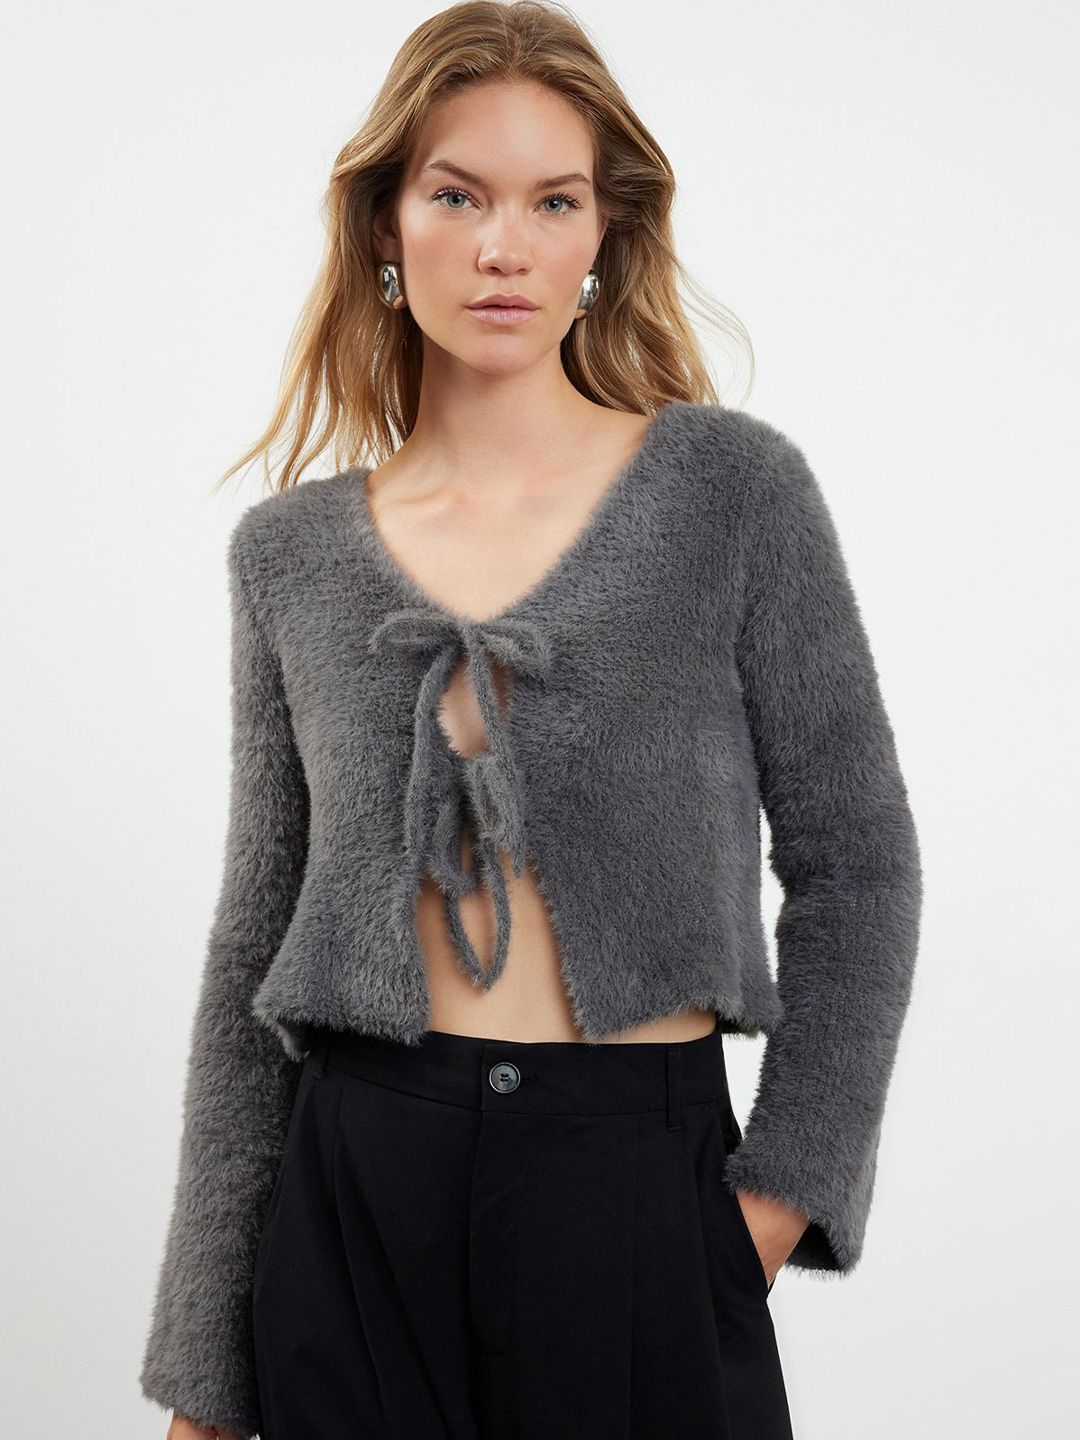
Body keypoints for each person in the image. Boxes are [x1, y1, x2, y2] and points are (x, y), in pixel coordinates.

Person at [139, 3, 923, 1438]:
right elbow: (257, 944)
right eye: (458, 196)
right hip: (355, 1191)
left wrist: (777, 1197)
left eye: (553, 201)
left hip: (638, 1192)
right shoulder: (291, 556)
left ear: (603, 234)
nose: (504, 246)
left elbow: (858, 860)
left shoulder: (731, 495)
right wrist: (203, 1373)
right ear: (386, 225)